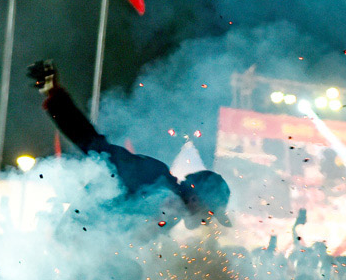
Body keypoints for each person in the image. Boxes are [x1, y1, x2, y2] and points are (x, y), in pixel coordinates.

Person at [27, 60, 231, 229]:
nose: (207, 221)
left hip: (81, 247)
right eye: (209, 213)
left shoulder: (165, 195)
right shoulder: (158, 188)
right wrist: (55, 96)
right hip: (79, 245)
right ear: (197, 199)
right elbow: (97, 148)